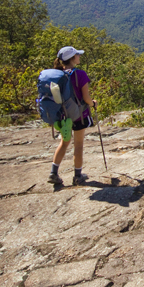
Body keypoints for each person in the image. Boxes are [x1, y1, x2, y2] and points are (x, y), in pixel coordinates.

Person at [48, 46, 97, 186]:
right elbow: (86, 98)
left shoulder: (58, 74)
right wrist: (93, 104)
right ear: (72, 58)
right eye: (77, 55)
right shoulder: (80, 74)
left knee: (64, 142)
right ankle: (78, 175)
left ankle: (53, 173)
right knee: (79, 145)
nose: (79, 57)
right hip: (79, 115)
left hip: (63, 116)